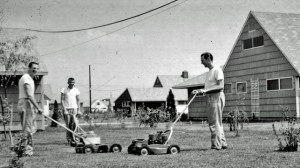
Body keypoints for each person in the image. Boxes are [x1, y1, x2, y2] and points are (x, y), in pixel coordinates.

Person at [192, 52, 228, 150]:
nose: (201, 63)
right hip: (211, 97)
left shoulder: (217, 70)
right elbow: (210, 87)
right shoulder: (210, 72)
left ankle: (216, 144)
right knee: (217, 121)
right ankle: (223, 143)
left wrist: (205, 90)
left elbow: (221, 86)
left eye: (202, 60)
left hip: (216, 97)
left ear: (208, 59)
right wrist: (200, 91)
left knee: (214, 122)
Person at [18, 61, 44, 156]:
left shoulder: (27, 78)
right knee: (28, 129)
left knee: (29, 128)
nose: (36, 70)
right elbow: (29, 95)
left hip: (25, 103)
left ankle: (22, 149)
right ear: (28, 68)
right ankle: (27, 151)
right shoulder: (27, 78)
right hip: (26, 103)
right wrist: (38, 108)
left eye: (37, 68)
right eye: (34, 68)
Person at [61, 77, 81, 146]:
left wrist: (79, 110)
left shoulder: (76, 90)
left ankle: (76, 139)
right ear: (68, 83)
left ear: (74, 83)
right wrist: (65, 110)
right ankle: (69, 140)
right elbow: (62, 100)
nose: (71, 84)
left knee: (75, 125)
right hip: (67, 109)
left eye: (73, 82)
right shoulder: (64, 90)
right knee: (68, 125)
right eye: (70, 82)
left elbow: (78, 100)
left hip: (74, 109)